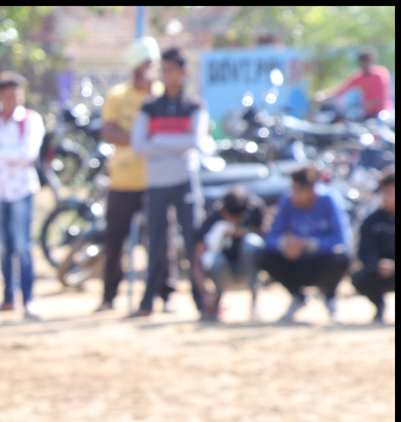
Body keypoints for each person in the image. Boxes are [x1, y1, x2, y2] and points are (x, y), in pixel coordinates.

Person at [130, 47, 207, 319]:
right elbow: (139, 145)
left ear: (183, 72)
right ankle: (148, 302)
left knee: (192, 241)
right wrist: (177, 144)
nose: (166, 75)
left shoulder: (194, 106)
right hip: (157, 183)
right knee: (156, 243)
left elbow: (196, 141)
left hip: (184, 181)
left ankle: (201, 300)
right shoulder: (150, 107)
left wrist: (158, 142)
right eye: (163, 70)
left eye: (171, 70)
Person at [96, 37, 161, 313]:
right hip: (123, 180)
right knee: (114, 240)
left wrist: (136, 137)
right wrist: (143, 139)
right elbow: (109, 132)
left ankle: (165, 293)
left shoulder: (161, 95)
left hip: (156, 180)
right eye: (146, 63)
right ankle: (109, 296)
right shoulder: (118, 95)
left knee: (160, 240)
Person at [0, 71, 44, 319]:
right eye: (8, 96)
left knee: (23, 246)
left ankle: (28, 300)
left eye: (17, 96)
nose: (13, 101)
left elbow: (28, 154)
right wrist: (10, 155)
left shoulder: (30, 120)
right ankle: (7, 299)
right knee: (5, 247)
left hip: (21, 191)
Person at [259, 166, 351, 323]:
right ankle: (298, 297)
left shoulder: (329, 199)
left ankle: (330, 298)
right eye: (293, 189)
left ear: (312, 189)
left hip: (321, 262)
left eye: (299, 190)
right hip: (294, 262)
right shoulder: (288, 200)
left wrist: (309, 244)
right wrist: (285, 244)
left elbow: (341, 239)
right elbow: (271, 237)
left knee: (342, 257)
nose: (294, 194)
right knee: (264, 255)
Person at [193, 188, 268, 322]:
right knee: (215, 260)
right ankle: (216, 303)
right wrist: (205, 294)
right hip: (223, 268)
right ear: (224, 211)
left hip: (247, 267)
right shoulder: (214, 217)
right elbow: (197, 259)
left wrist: (244, 232)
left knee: (252, 244)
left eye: (238, 217)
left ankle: (255, 304)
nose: (233, 220)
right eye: (230, 216)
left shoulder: (255, 209)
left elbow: (265, 237)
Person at [350, 170, 395, 324]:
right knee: (359, 278)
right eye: (383, 193)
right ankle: (379, 305)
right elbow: (364, 250)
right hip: (379, 271)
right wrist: (377, 263)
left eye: (390, 192)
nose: (385, 197)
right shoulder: (373, 220)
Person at [315, 46, 394, 119]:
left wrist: (362, 106)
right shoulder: (358, 76)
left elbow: (383, 97)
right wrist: (324, 96)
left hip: (382, 113)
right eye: (362, 61)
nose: (364, 64)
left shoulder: (380, 74)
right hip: (367, 114)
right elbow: (341, 89)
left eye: (366, 61)